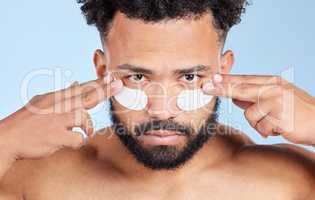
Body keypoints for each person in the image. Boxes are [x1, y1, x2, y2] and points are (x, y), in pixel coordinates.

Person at [0, 0, 315, 199]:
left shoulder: (292, 182)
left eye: (189, 77)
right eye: (137, 77)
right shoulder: (36, 181)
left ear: (224, 70)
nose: (162, 109)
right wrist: (5, 140)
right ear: (101, 70)